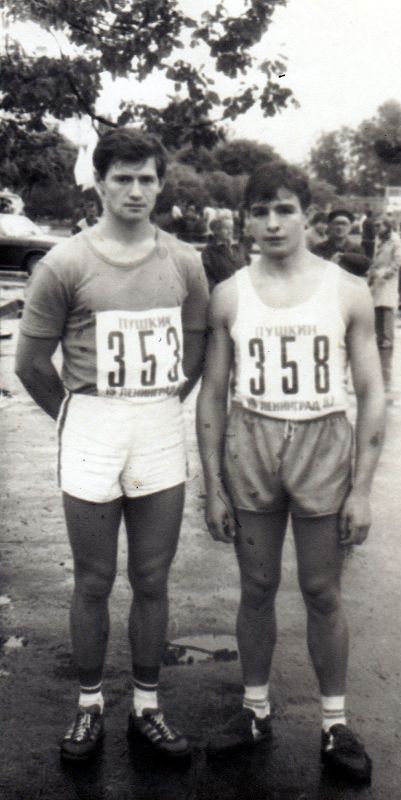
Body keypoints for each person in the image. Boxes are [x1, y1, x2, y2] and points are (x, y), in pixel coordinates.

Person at [15, 127, 209, 762]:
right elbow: (30, 363)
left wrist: (161, 404)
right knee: (94, 579)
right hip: (91, 422)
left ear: (160, 184)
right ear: (99, 183)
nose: (135, 190)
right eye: (122, 178)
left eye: (146, 178)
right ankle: (89, 705)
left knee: (152, 575)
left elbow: (197, 346)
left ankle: (147, 707)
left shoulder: (184, 261)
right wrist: (75, 418)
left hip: (156, 423)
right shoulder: (65, 263)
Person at [196, 161, 386, 785]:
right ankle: (254, 710)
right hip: (251, 442)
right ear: (246, 220)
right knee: (256, 586)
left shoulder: (347, 290)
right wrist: (213, 485)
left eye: (285, 210)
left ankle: (335, 722)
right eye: (260, 211)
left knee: (322, 590)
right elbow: (213, 394)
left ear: (308, 215)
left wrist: (362, 489)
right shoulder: (230, 293)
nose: (273, 223)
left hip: (321, 441)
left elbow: (372, 393)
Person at [367, 214, 401, 350]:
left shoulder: (395, 240)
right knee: (377, 307)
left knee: (387, 307)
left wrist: (389, 273)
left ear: (387, 226)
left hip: (388, 278)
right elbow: (374, 258)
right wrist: (371, 274)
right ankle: (379, 337)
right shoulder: (378, 238)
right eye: (375, 226)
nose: (376, 228)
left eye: (379, 225)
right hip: (377, 276)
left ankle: (388, 339)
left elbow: (398, 260)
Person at [312, 209, 371, 277]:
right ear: (330, 226)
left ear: (350, 227)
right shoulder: (319, 249)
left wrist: (344, 256)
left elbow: (365, 267)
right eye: (336, 223)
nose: (340, 227)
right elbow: (313, 273)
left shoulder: (356, 249)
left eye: (344, 224)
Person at [201, 215, 244, 291]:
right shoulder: (208, 251)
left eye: (231, 228)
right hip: (222, 292)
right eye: (226, 228)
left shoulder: (238, 247)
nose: (230, 231)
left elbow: (247, 269)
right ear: (216, 230)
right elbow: (207, 277)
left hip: (241, 290)